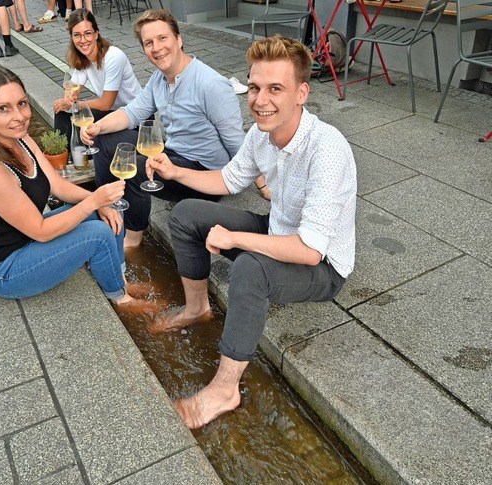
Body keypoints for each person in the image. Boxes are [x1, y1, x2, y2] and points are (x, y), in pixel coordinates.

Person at [145, 35, 357, 429]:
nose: (261, 100)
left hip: (323, 265)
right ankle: (197, 308)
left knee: (250, 270)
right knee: (187, 213)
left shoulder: (328, 149)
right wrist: (174, 172)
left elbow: (310, 249)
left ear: (301, 93)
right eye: (255, 87)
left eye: (276, 88)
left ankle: (225, 390)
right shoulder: (260, 133)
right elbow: (228, 179)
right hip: (279, 228)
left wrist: (235, 239)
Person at [0, 65, 139, 306]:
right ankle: (121, 298)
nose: (19, 116)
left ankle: (120, 276)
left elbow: (58, 186)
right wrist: (93, 202)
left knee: (111, 206)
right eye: (3, 109)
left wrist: (99, 201)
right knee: (98, 234)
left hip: (26, 240)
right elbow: (40, 230)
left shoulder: (20, 138)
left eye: (22, 104)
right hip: (4, 268)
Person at [81, 9, 245, 249]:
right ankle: (106, 205)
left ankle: (133, 239)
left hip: (202, 174)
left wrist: (257, 180)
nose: (156, 48)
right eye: (148, 43)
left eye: (162, 38)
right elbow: (133, 112)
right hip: (173, 155)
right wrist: (98, 126)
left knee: (137, 169)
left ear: (178, 39)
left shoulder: (211, 84)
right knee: (104, 140)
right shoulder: (159, 78)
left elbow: (235, 141)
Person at [53, 9, 141, 150]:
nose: (83, 40)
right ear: (72, 37)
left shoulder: (113, 57)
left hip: (133, 117)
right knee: (62, 111)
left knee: (85, 122)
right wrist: (67, 99)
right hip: (112, 112)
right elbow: (73, 87)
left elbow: (106, 103)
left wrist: (78, 104)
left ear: (96, 33)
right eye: (77, 35)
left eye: (87, 33)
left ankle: (81, 156)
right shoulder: (84, 58)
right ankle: (63, 155)